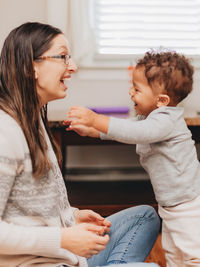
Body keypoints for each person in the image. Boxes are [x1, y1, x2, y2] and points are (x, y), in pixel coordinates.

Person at [0, 22, 160, 267]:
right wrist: (62, 238)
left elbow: (32, 208)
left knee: (145, 216)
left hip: (66, 255)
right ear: (31, 67)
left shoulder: (33, 118)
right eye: (63, 57)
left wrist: (71, 216)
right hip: (43, 260)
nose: (72, 67)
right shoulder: (6, 131)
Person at [66, 51, 200, 266]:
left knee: (192, 253)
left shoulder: (166, 121)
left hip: (188, 204)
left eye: (137, 89)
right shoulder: (151, 118)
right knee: (173, 252)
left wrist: (96, 119)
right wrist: (93, 131)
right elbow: (131, 128)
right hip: (172, 203)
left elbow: (136, 132)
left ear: (162, 100)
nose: (131, 92)